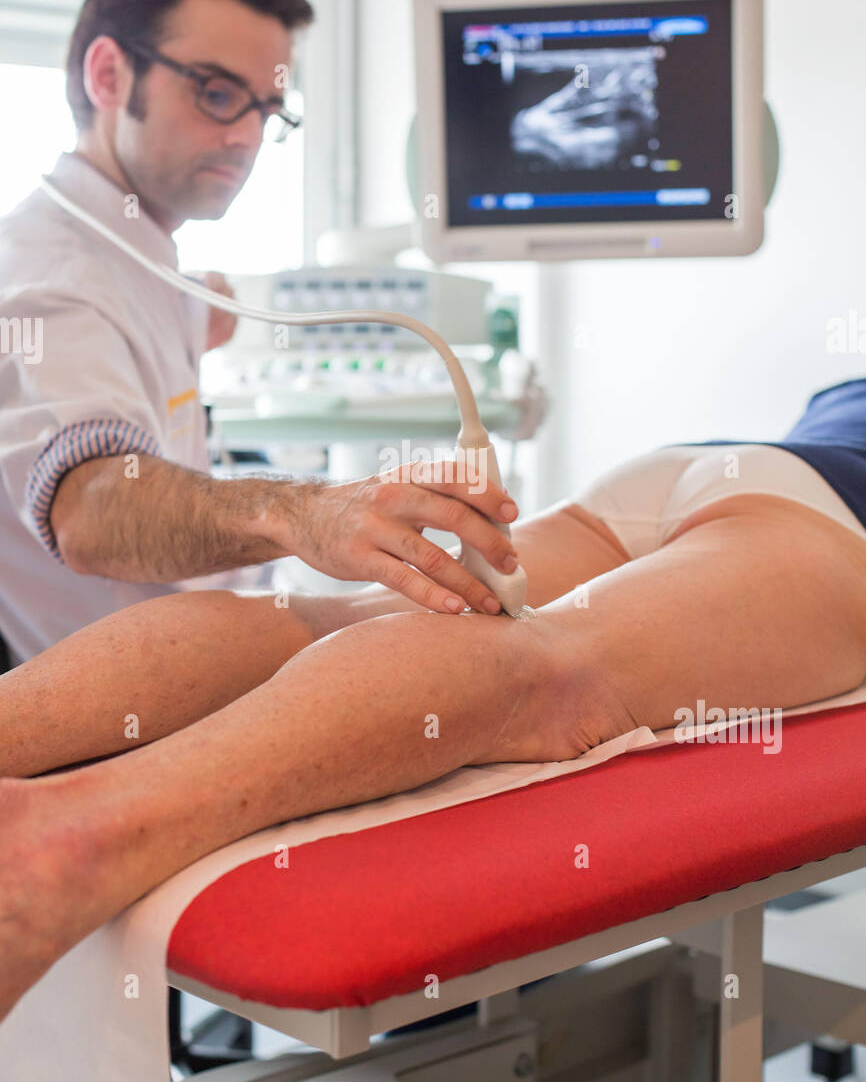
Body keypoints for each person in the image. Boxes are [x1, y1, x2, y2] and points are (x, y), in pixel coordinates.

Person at [3, 428, 866, 1023]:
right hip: (827, 519)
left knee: (320, 618)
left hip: (702, 463)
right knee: (554, 670)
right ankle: (79, 840)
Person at [0, 0, 520, 670]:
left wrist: (196, 309)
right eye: (216, 93)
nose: (245, 134)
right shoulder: (50, 279)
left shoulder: (136, 248)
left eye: (268, 107)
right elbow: (90, 510)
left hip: (212, 631)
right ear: (109, 74)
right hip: (134, 704)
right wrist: (299, 511)